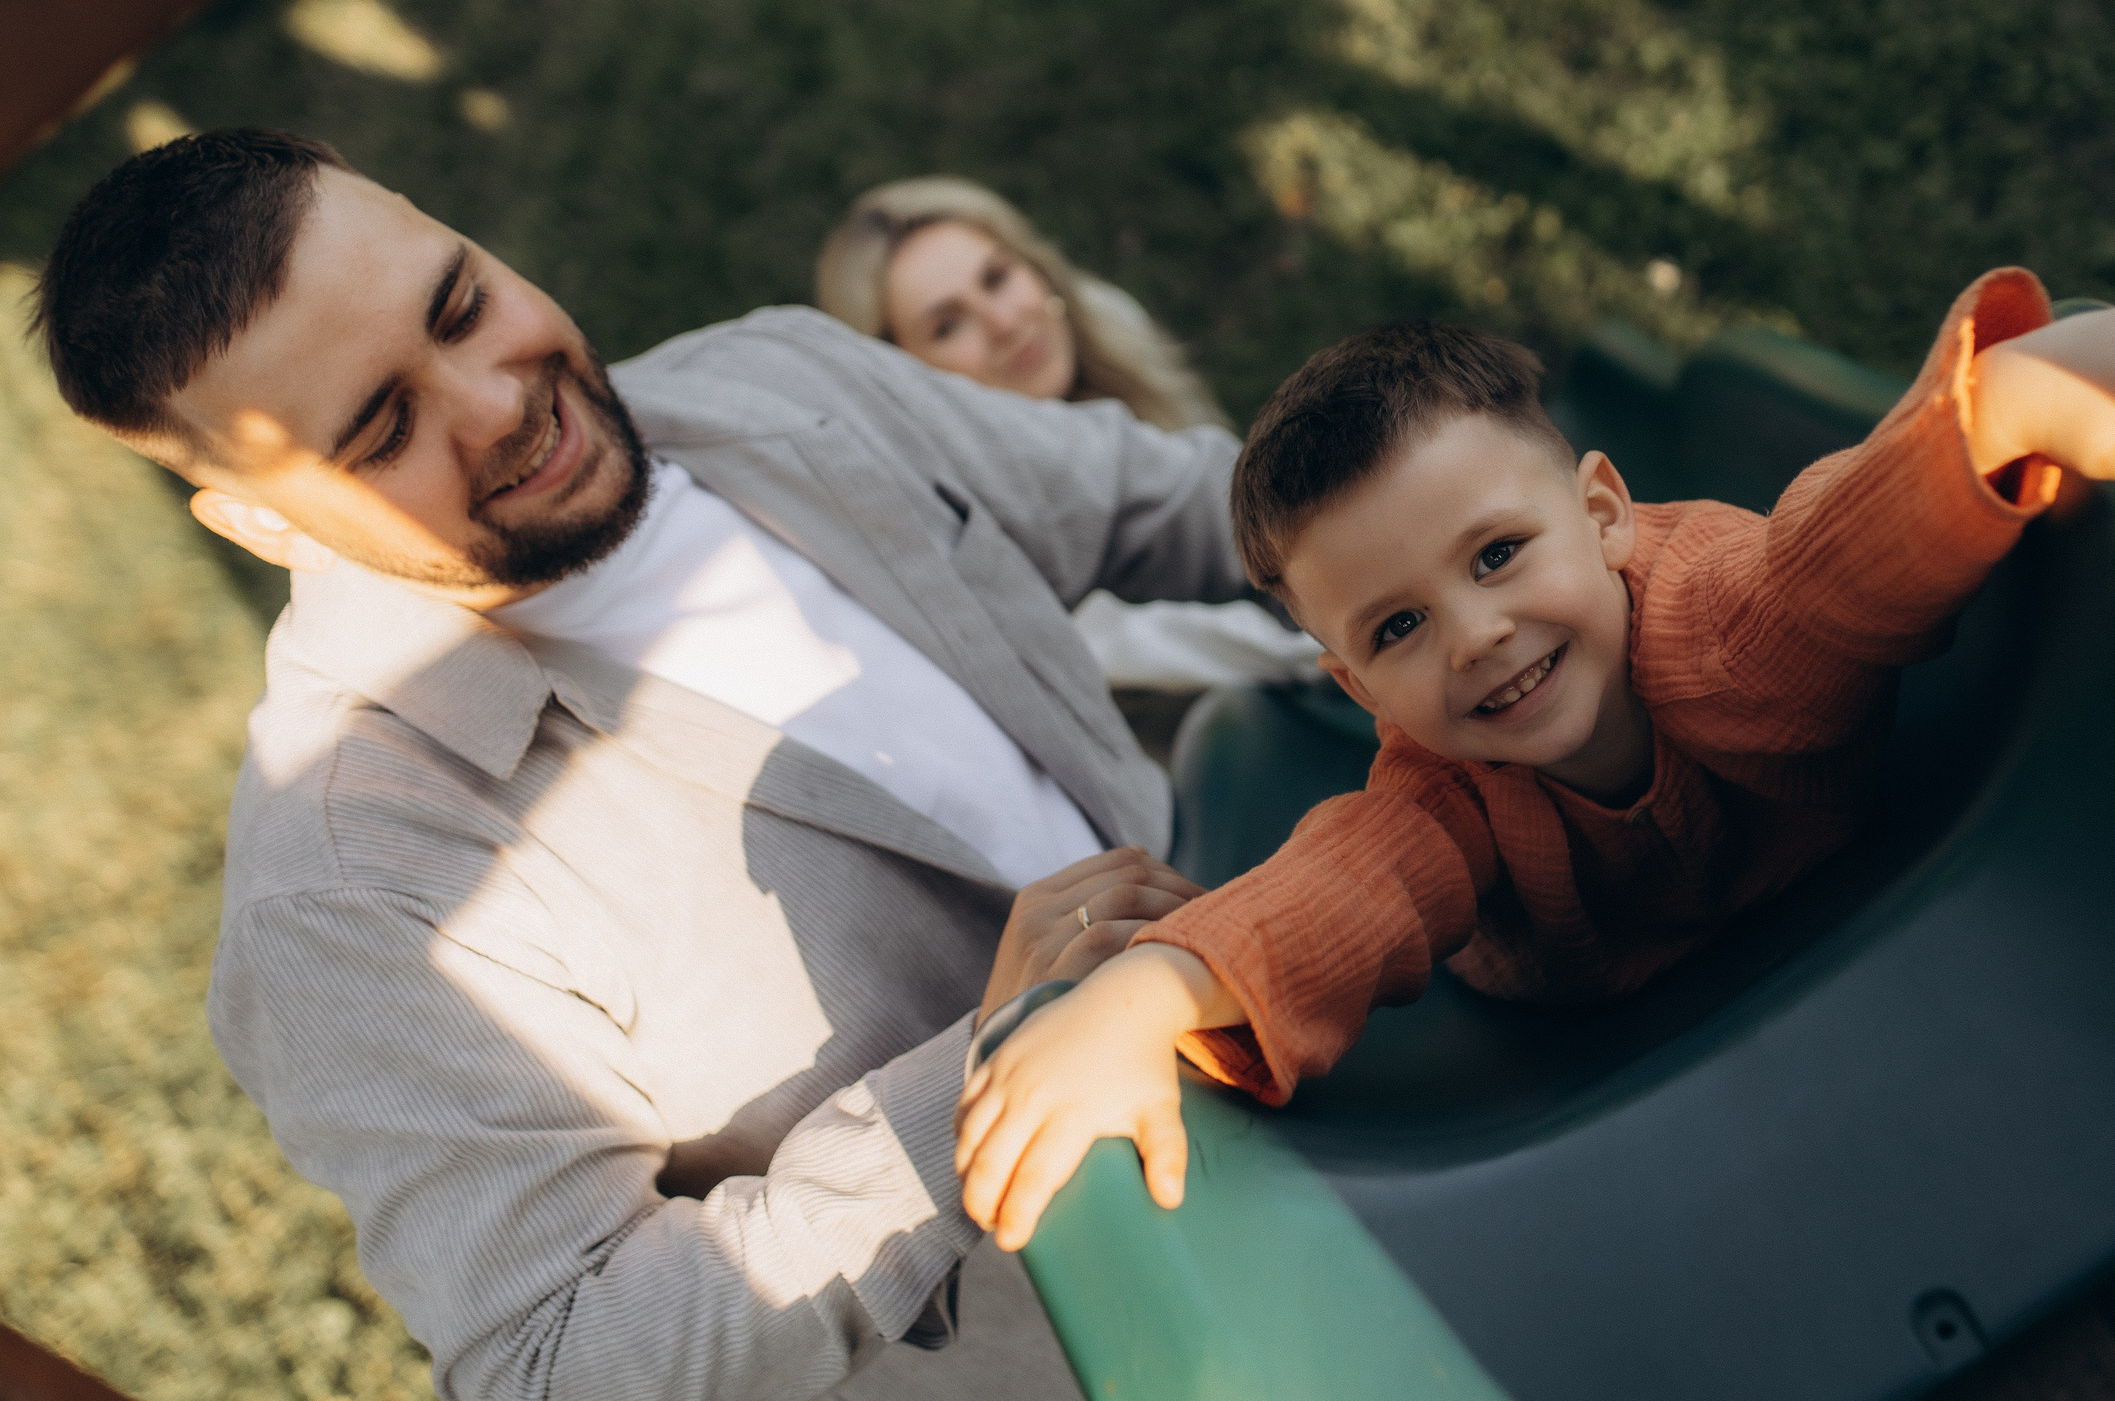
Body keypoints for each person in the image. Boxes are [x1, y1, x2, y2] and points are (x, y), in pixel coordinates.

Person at [31, 129, 1256, 1401]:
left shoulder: (782, 373)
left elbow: (1172, 505)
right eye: (384, 430)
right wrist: (983, 1083)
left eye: (462, 304)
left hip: (1323, 1059)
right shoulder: (352, 899)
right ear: (261, 523)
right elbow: (558, 1359)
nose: (498, 404)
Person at [953, 268, 2115, 1251]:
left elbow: (1830, 556)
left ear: (1602, 512)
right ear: (1353, 683)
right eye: (1401, 626)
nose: (1478, 636)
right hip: (1568, 996)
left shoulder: (1720, 624)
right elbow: (1343, 887)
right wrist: (1149, 997)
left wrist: (1997, 412)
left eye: (1498, 554)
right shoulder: (1436, 787)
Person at [816, 176, 1322, 694]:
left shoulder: (1110, 328)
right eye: (948, 326)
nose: (1005, 323)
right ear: (907, 379)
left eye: (996, 277)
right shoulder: (1003, 557)